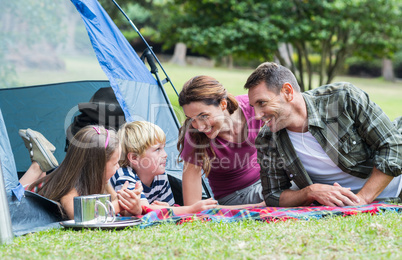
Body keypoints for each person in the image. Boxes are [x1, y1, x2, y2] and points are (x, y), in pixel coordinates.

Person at [244, 62, 402, 207]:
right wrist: (310, 192)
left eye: (262, 103)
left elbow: (393, 145)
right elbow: (273, 195)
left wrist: (362, 199)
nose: (257, 115)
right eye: (253, 106)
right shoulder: (268, 138)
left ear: (287, 92)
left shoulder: (343, 99)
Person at [177, 75, 265, 206]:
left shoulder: (252, 107)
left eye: (204, 116)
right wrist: (260, 206)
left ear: (223, 104)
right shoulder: (194, 137)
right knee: (295, 193)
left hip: (266, 180)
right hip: (236, 196)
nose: (199, 127)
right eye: (192, 119)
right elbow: (192, 205)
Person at [27, 125, 143, 219]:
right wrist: (118, 205)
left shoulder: (103, 182)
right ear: (97, 166)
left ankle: (40, 164)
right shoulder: (70, 188)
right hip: (23, 201)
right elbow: (81, 217)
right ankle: (38, 165)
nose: (118, 167)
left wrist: (132, 206)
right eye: (115, 163)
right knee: (15, 193)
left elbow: (120, 212)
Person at [111, 121, 218, 214]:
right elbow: (142, 208)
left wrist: (165, 207)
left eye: (163, 148)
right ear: (134, 158)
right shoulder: (124, 176)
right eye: (157, 149)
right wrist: (191, 209)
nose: (165, 154)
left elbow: (165, 208)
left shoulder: (160, 176)